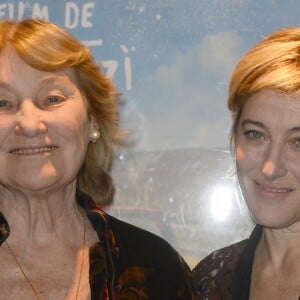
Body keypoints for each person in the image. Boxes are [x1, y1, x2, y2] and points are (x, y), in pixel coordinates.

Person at [0, 18, 193, 299]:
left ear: (92, 121)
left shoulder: (154, 268)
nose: (29, 124)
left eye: (52, 99)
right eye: (2, 103)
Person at [192, 27, 300, 299]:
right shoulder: (208, 281)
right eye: (256, 135)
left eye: (298, 143)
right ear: (235, 136)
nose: (270, 168)